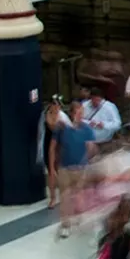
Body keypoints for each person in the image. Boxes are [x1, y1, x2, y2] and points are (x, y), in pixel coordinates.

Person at [50, 101, 97, 238]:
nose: (81, 115)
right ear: (71, 113)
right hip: (65, 168)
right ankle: (66, 225)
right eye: (78, 113)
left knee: (80, 196)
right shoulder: (62, 128)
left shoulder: (87, 129)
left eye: (82, 113)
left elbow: (91, 148)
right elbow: (53, 147)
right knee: (65, 197)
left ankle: (79, 218)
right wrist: (52, 167)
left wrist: (90, 161)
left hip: (81, 169)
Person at [37, 96, 70, 209]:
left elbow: (69, 131)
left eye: (58, 105)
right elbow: (42, 130)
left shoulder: (63, 117)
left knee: (60, 170)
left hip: (60, 143)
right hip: (48, 143)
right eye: (55, 104)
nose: (57, 107)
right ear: (51, 104)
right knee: (51, 170)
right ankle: (53, 198)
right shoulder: (45, 114)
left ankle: (64, 195)